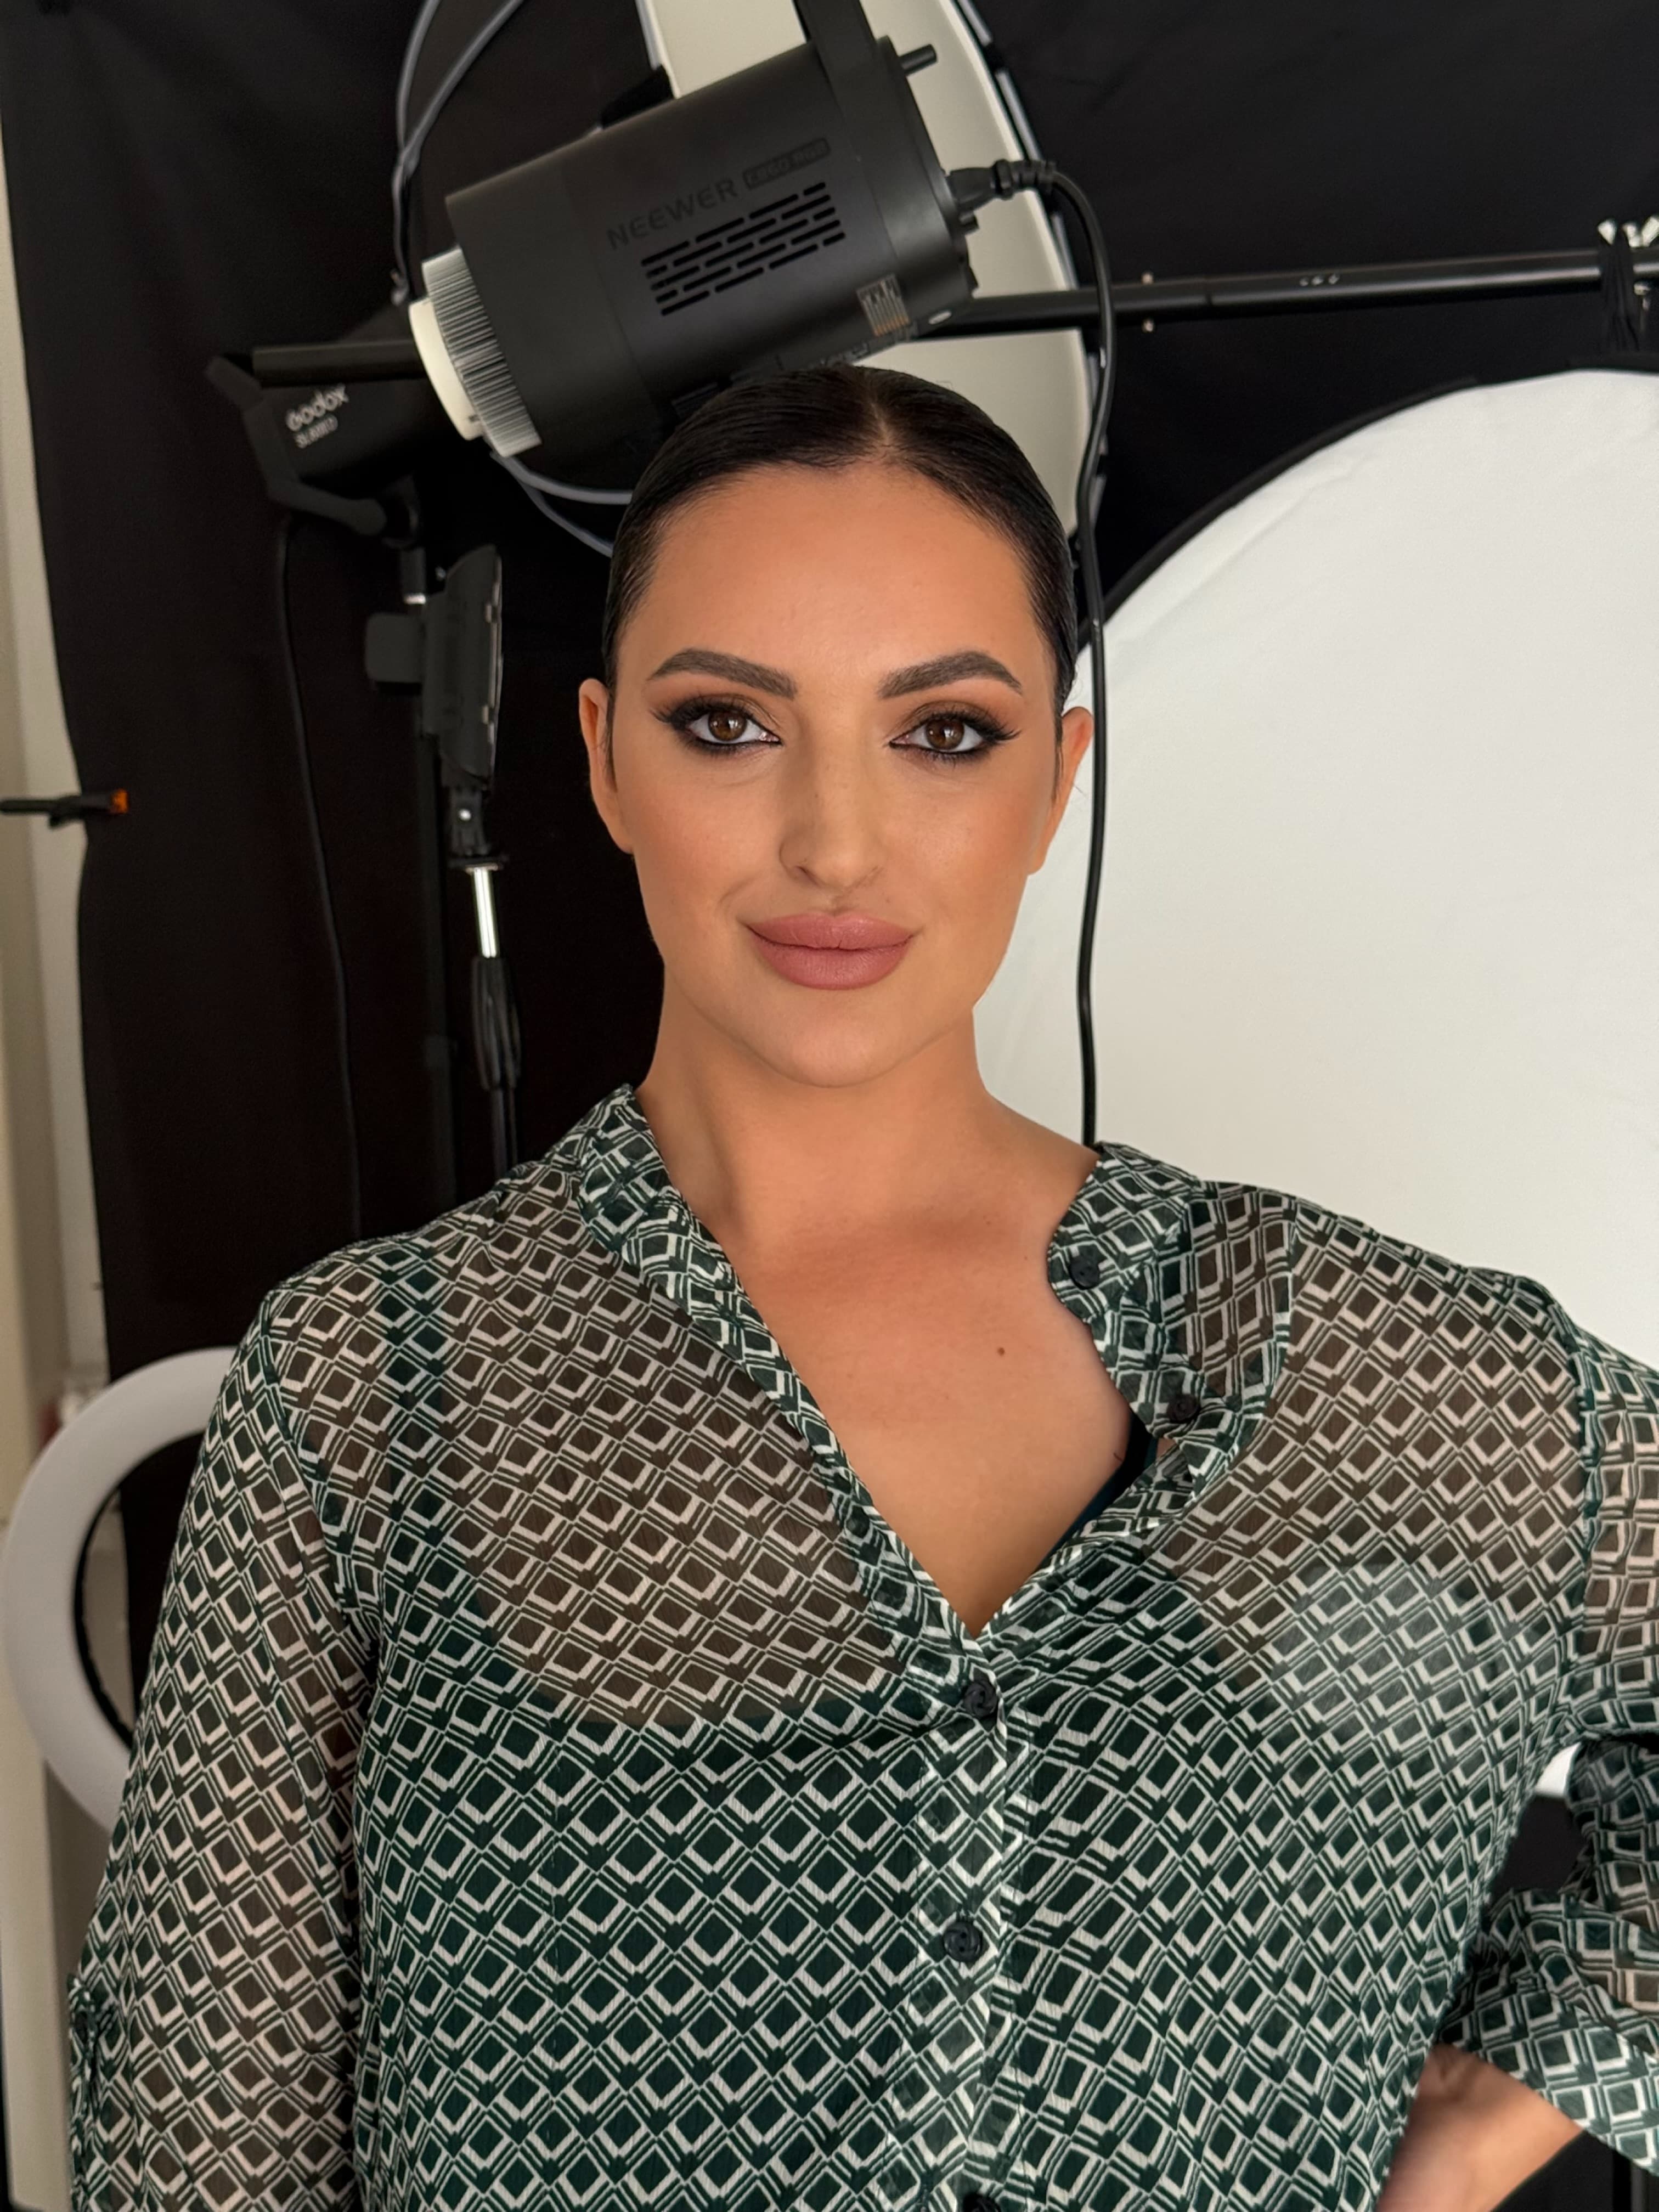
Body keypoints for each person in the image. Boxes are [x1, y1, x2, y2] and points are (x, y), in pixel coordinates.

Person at [67, 364, 1659, 2212]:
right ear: (600, 759)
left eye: (945, 734)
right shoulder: (384, 1386)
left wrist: (1503, 2114)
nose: (835, 841)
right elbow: (198, 2148)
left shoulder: (1352, 1367)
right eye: (731, 724)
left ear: (1059, 778)